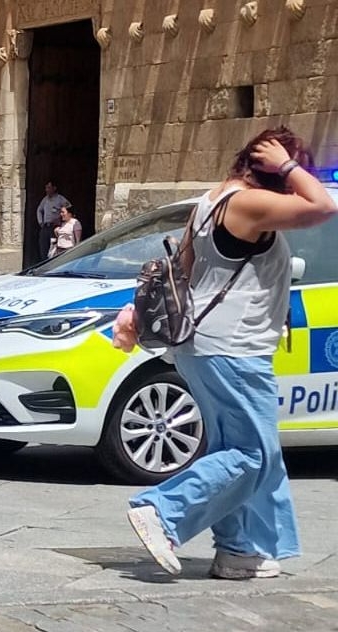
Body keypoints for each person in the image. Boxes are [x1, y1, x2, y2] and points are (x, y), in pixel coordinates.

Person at [114, 127, 337, 580]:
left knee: (235, 451)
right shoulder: (247, 204)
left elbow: (181, 271)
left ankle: (238, 550)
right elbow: (323, 206)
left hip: (205, 346)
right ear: (272, 169)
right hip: (234, 349)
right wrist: (288, 165)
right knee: (253, 454)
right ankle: (162, 511)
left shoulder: (209, 202)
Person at [36, 180, 71, 263]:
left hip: (55, 227)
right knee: (43, 247)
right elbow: (39, 210)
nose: (47, 190)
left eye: (49, 187)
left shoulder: (60, 199)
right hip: (45, 226)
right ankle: (44, 264)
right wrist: (40, 222)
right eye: (46, 188)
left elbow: (69, 208)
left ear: (54, 188)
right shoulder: (45, 199)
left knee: (54, 248)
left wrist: (61, 219)